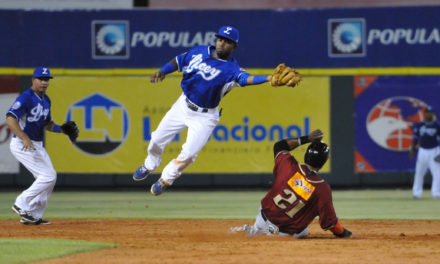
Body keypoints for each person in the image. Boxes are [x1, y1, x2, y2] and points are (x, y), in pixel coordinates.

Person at [133, 26, 274, 195]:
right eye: (221, 39)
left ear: (234, 47)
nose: (222, 43)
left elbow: (247, 79)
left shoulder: (232, 69)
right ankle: (150, 164)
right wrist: (163, 71)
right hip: (183, 105)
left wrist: (268, 78)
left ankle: (166, 179)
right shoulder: (199, 52)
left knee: (189, 154)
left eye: (228, 42)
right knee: (156, 138)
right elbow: (179, 60)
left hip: (205, 116)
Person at [238, 129, 352, 238]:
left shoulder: (288, 165)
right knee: (304, 229)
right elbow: (330, 224)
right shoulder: (322, 189)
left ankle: (255, 230)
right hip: (284, 234)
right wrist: (344, 233)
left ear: (306, 156)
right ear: (323, 163)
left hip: (262, 218)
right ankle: (269, 234)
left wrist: (306, 138)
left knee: (261, 224)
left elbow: (279, 146)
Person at [6, 66, 78, 225]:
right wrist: (24, 137)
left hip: (36, 144)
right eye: (41, 79)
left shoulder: (46, 100)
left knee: (49, 178)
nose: (44, 82)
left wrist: (62, 130)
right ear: (33, 80)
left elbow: (47, 124)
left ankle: (32, 215)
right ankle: (21, 203)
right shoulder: (25, 97)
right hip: (22, 144)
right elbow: (10, 118)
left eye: (47, 79)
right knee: (48, 176)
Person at [409, 106, 440, 199]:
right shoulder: (420, 125)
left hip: (434, 150)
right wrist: (412, 149)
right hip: (422, 151)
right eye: (427, 112)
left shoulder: (437, 125)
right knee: (419, 172)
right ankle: (416, 193)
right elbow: (415, 138)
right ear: (425, 113)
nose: (429, 114)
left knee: (437, 173)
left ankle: (436, 193)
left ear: (433, 114)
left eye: (431, 112)